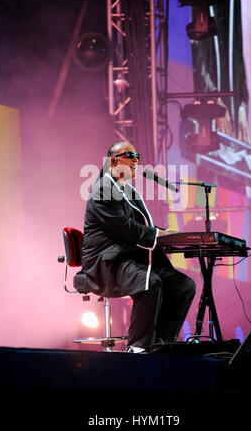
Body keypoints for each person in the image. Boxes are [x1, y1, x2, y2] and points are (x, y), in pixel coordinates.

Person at [74, 141, 196, 353]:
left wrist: (173, 235)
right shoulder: (103, 190)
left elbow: (145, 227)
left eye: (137, 155)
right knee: (149, 282)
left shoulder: (127, 191)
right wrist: (162, 235)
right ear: (113, 160)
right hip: (106, 262)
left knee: (183, 285)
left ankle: (161, 344)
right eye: (130, 155)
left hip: (128, 259)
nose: (136, 160)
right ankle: (138, 347)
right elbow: (127, 230)